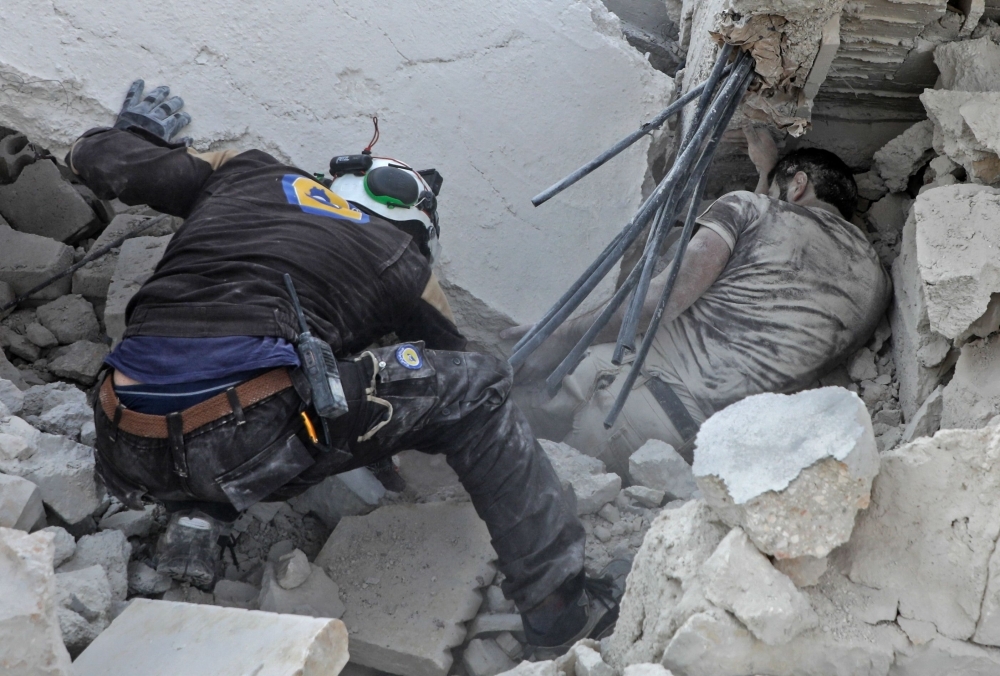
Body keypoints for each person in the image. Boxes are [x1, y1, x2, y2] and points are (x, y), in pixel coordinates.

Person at [73, 80, 625, 653]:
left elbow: (95, 158)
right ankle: (559, 609)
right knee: (477, 388)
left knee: (266, 373)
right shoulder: (402, 258)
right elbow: (465, 373)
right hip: (246, 440)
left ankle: (195, 515)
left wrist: (135, 131)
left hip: (119, 434)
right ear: (419, 229)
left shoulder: (249, 171)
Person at [508, 124, 892, 476]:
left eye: (775, 188)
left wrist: (558, 336)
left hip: (623, 393)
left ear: (798, 185)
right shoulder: (877, 284)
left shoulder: (750, 208)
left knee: (483, 441)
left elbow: (657, 303)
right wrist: (768, 175)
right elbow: (769, 251)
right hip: (687, 444)